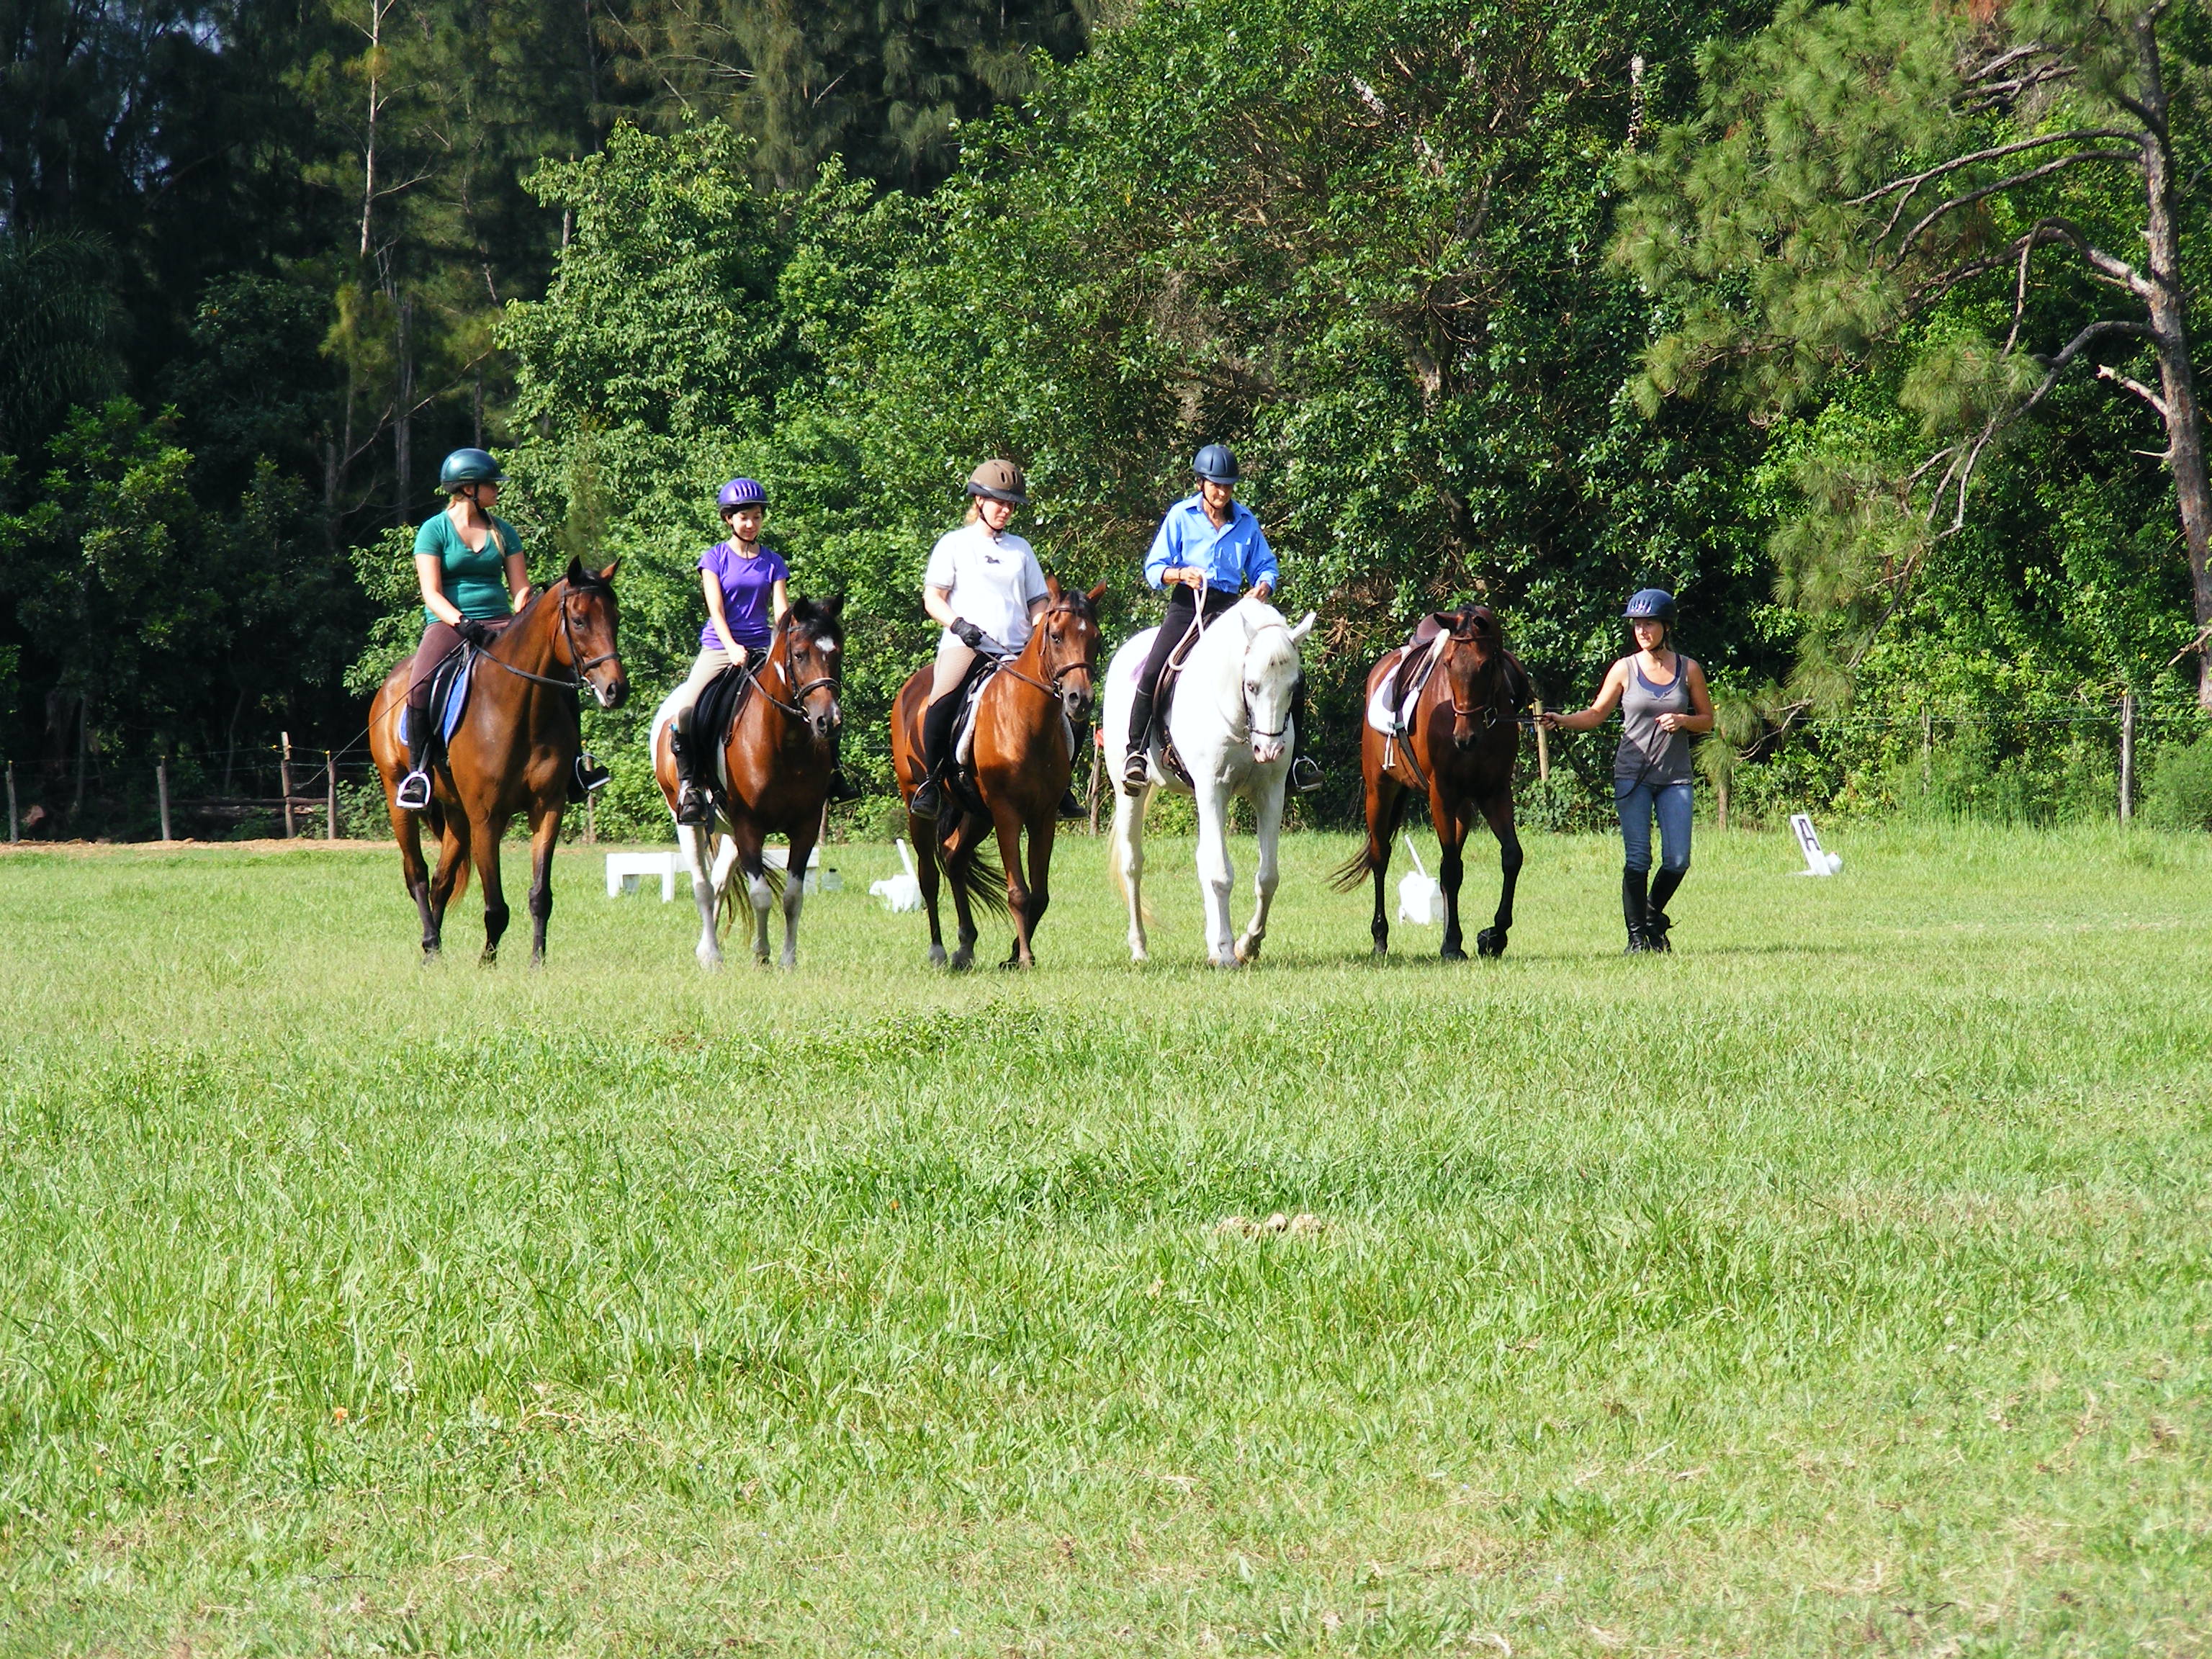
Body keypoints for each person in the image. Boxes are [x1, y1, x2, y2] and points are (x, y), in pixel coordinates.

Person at [1123, 444, 1321, 795]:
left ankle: (1296, 761)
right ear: (1201, 483)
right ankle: (1136, 752)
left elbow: (1266, 565)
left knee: (1289, 671)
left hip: (1232, 608)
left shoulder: (1246, 521)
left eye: (1228, 486)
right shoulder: (1181, 516)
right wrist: (1180, 574)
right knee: (1153, 669)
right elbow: (1154, 568)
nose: (1222, 492)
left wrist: (1264, 585)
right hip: (1188, 605)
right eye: (1216, 485)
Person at [1539, 588, 1714, 952]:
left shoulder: (1689, 669)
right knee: (1638, 858)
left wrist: (1684, 720)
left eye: (1649, 624)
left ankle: (1650, 916)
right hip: (1633, 775)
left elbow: (1707, 720)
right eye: (1637, 625)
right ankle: (1637, 938)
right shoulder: (1624, 669)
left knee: (1678, 860)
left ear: (1667, 626)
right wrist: (1562, 720)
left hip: (1675, 778)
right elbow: (1596, 714)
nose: (1642, 631)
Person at [908, 459, 1053, 822]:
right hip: (967, 645)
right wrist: (958, 625)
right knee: (942, 702)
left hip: (1017, 650)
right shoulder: (954, 544)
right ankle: (931, 784)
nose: (1007, 510)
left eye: (1011, 505)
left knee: (1063, 706)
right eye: (1000, 503)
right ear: (979, 501)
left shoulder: (1021, 549)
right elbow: (933, 599)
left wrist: (1040, 629)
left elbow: (1039, 601)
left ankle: (1060, 787)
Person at [395, 448, 530, 811]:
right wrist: (463, 623)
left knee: (555, 671)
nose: (497, 490)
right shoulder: (433, 530)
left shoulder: (503, 531)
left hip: (501, 621)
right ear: (469, 488)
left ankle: (576, 766)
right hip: (450, 623)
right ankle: (418, 774)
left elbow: (519, 587)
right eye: (491, 484)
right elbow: (431, 593)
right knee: (419, 687)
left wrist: (525, 610)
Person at [667, 478, 790, 825]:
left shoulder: (773, 562)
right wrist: (732, 647)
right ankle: (690, 785)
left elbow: (781, 611)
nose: (751, 524)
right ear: (728, 519)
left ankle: (831, 774)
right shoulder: (714, 558)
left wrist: (786, 642)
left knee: (808, 700)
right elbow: (716, 611)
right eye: (744, 517)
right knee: (686, 712)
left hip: (763, 648)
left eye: (757, 517)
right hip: (721, 648)